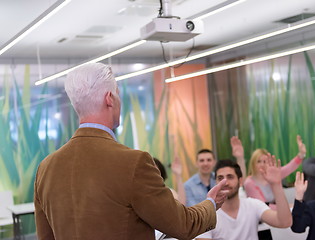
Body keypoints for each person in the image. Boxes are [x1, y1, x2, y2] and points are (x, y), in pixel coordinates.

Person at [34, 63, 229, 240]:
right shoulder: (134, 162)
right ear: (110, 99)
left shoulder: (45, 168)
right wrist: (211, 203)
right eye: (118, 94)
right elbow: (182, 225)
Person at [195, 157, 292, 240]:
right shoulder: (207, 215)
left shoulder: (253, 205)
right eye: (220, 178)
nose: (225, 182)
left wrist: (276, 184)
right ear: (215, 182)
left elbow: (284, 222)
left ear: (240, 181)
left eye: (230, 177)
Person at [244, 135, 306, 207]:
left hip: (278, 210)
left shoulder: (272, 175)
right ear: (253, 163)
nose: (262, 164)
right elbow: (262, 206)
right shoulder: (249, 183)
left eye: (265, 161)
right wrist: (288, 207)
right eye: (259, 161)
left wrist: (301, 154)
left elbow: (289, 167)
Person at [185, 139, 246, 207]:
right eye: (202, 160)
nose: (205, 163)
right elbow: (192, 210)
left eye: (209, 160)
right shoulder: (188, 186)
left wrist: (240, 158)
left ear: (214, 162)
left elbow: (239, 179)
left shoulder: (221, 177)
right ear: (196, 163)